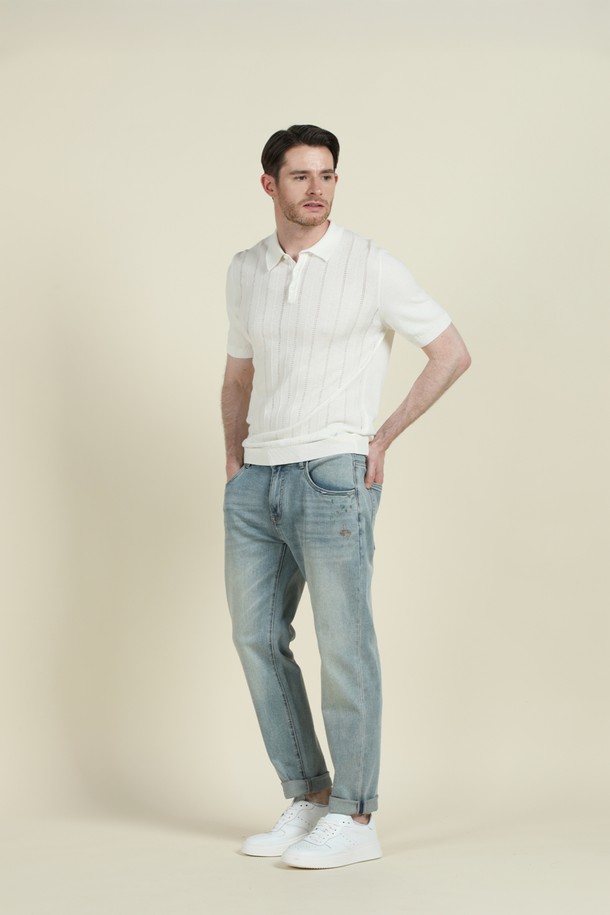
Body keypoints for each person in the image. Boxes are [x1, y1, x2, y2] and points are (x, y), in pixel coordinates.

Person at [221, 124, 470, 869]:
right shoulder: (245, 269)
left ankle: (356, 814)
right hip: (257, 478)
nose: (317, 188)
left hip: (333, 475)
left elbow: (450, 351)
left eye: (327, 175)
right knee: (256, 638)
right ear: (270, 184)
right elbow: (238, 373)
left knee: (344, 643)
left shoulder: (370, 265)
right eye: (301, 175)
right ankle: (308, 794)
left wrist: (381, 437)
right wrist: (234, 459)